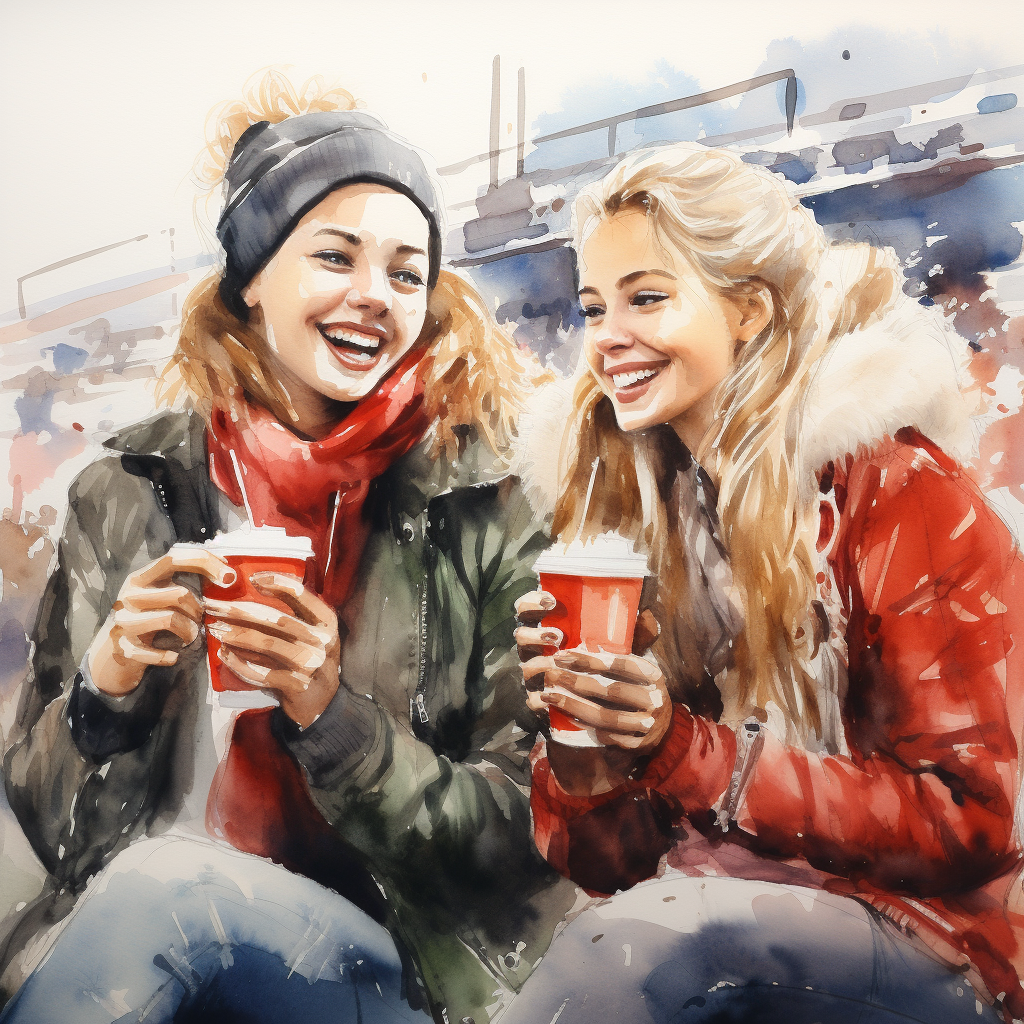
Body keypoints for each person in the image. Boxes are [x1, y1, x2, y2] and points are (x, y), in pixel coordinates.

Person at [1, 72, 576, 1024]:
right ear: (252, 278)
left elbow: (526, 845)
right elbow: (56, 838)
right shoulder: (129, 491)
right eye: (336, 257)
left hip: (395, 974)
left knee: (171, 896)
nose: (373, 298)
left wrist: (335, 721)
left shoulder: (486, 501)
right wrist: (104, 696)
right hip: (141, 964)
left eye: (405, 272)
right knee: (151, 901)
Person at [509, 141, 1024, 1022]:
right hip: (723, 919)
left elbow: (971, 818)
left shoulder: (895, 487)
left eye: (647, 298)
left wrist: (686, 750)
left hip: (934, 943)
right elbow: (608, 868)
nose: (607, 340)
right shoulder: (637, 509)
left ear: (746, 310)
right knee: (655, 931)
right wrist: (589, 746)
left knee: (660, 942)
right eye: (595, 308)